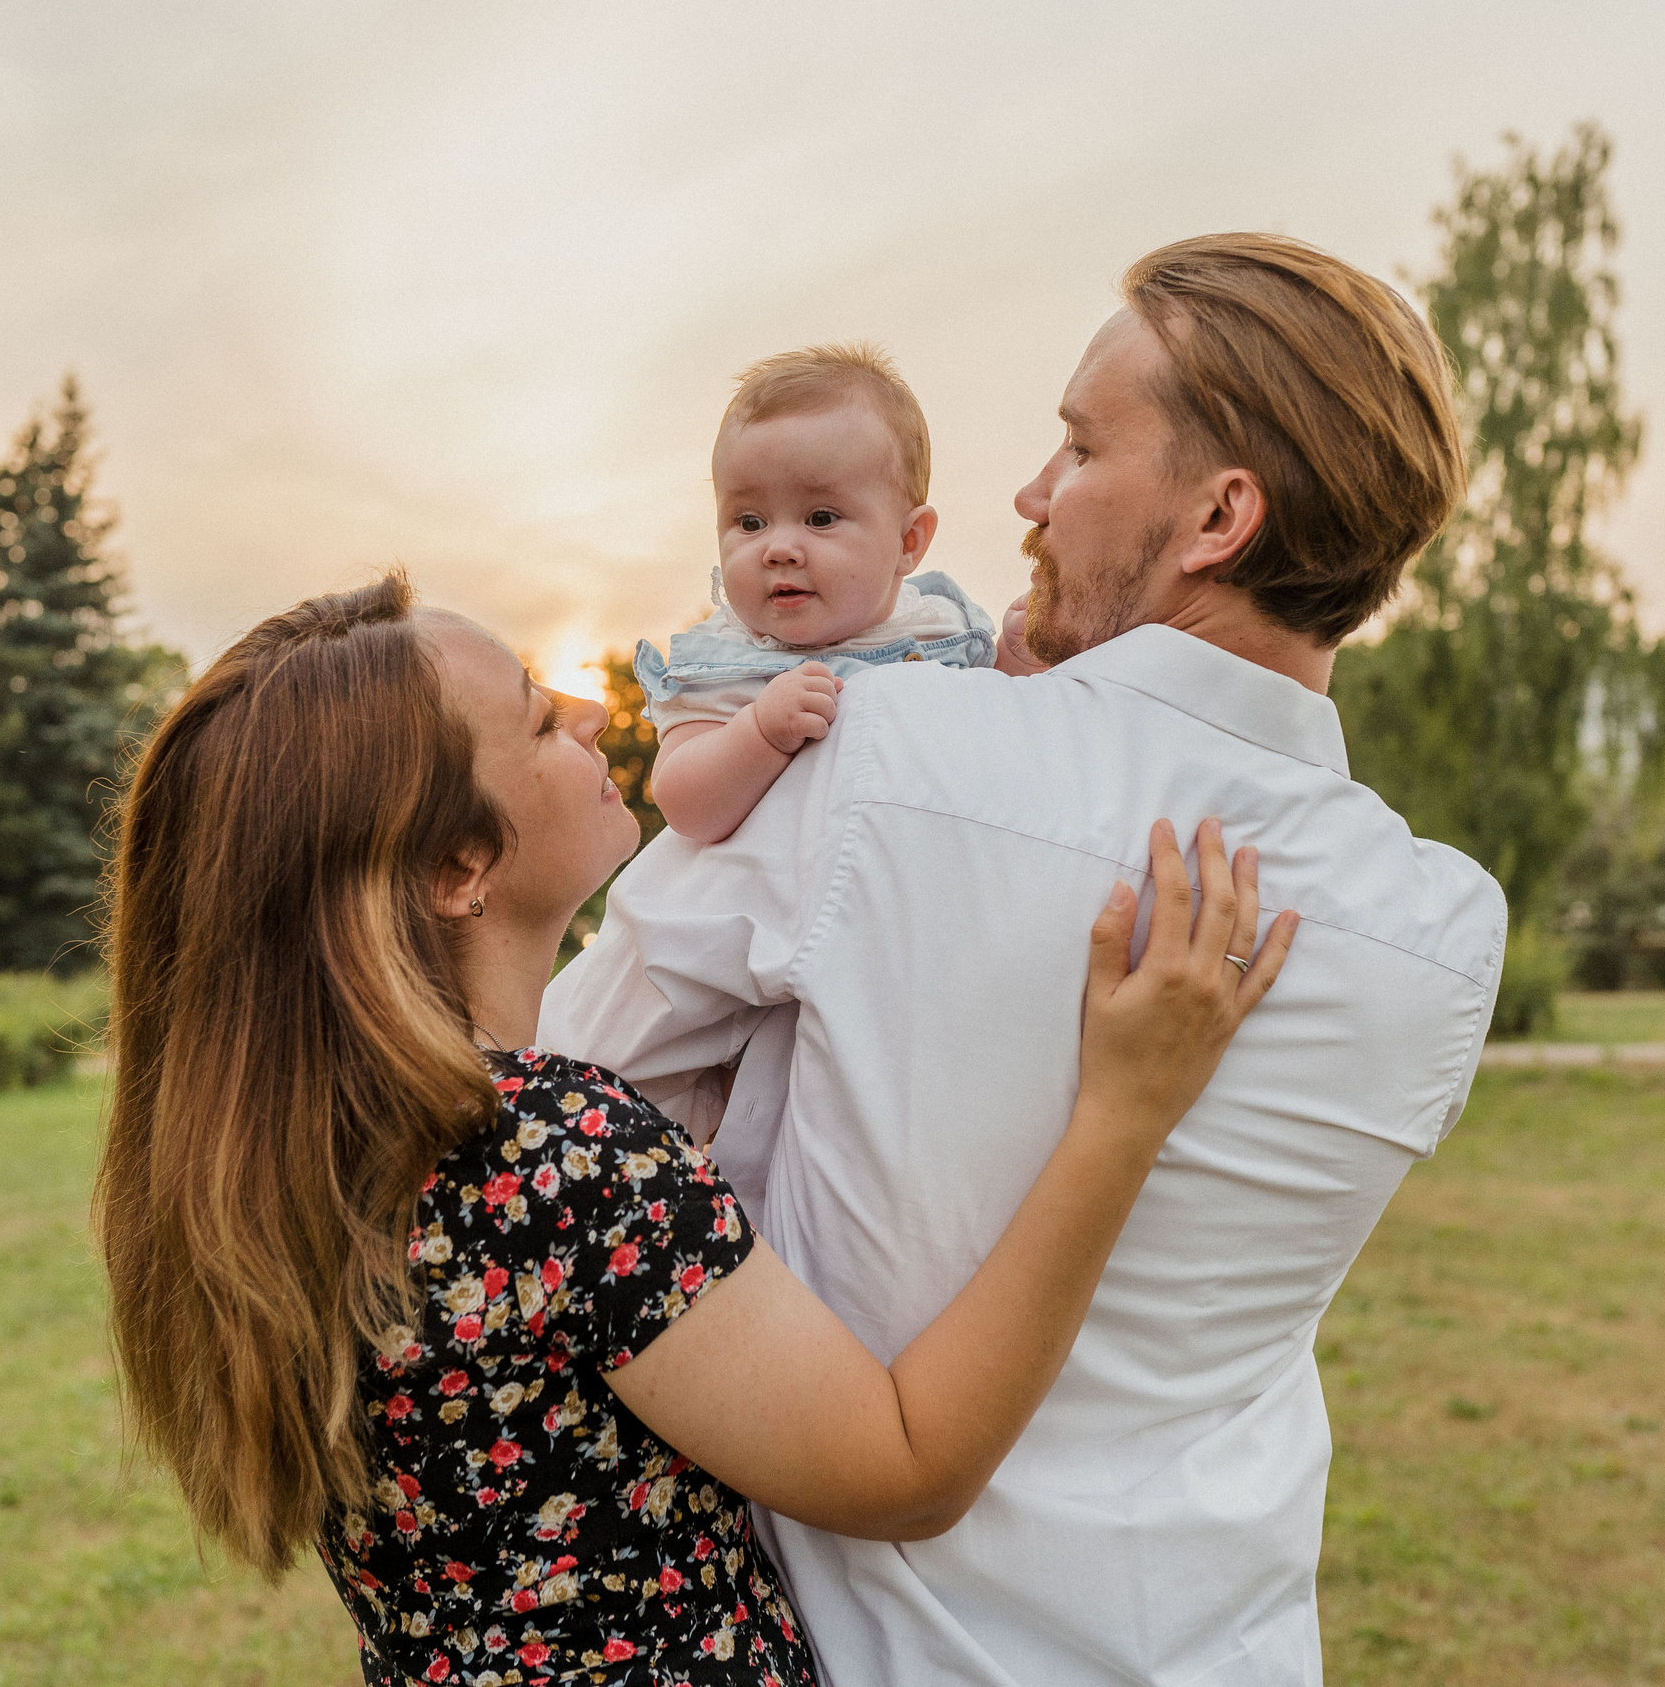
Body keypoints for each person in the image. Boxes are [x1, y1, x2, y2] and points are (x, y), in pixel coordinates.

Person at [542, 233, 1509, 1686]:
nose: (1030, 497)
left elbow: (558, 1086)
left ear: (1217, 516)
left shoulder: (882, 757)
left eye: (1076, 445)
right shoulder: (1443, 929)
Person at [92, 573, 1297, 1684]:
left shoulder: (290, 1161)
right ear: (463, 864)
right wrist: (1124, 1109)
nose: (577, 703)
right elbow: (910, 1466)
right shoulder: (547, 1159)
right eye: (529, 712)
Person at [636, 344, 1032, 845]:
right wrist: (758, 732)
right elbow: (686, 808)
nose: (778, 549)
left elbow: (999, 740)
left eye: (820, 518)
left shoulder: (942, 628)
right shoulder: (724, 664)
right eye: (750, 522)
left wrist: (1016, 665)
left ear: (908, 543)